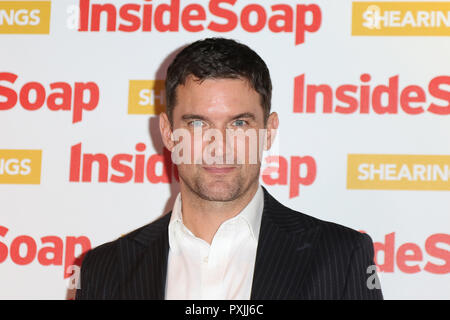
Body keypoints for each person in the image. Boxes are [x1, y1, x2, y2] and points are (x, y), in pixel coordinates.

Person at [75, 37, 383, 300]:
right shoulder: (105, 270)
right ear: (168, 133)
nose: (219, 146)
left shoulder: (340, 258)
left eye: (239, 123)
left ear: (269, 132)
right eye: (197, 123)